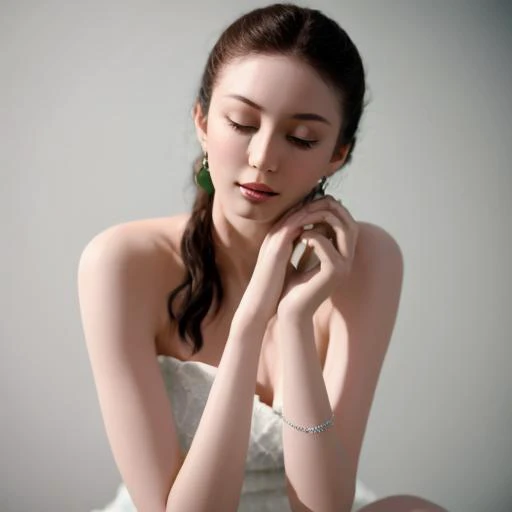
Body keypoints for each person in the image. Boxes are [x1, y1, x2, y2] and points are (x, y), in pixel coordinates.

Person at [78, 3, 448, 512]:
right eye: (242, 122)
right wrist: (251, 321)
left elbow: (323, 506)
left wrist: (294, 320)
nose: (263, 158)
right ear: (204, 123)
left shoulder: (367, 260)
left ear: (337, 154)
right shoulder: (121, 263)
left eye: (302, 138)